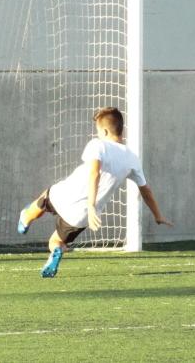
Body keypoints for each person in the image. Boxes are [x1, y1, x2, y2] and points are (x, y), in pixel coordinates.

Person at [17, 107, 173, 278]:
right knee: (56, 241)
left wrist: (91, 204)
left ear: (104, 131)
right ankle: (55, 252)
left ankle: (25, 219)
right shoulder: (132, 159)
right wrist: (158, 215)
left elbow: (94, 172)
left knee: (44, 198)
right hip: (82, 216)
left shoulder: (97, 144)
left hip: (66, 195)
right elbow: (146, 190)